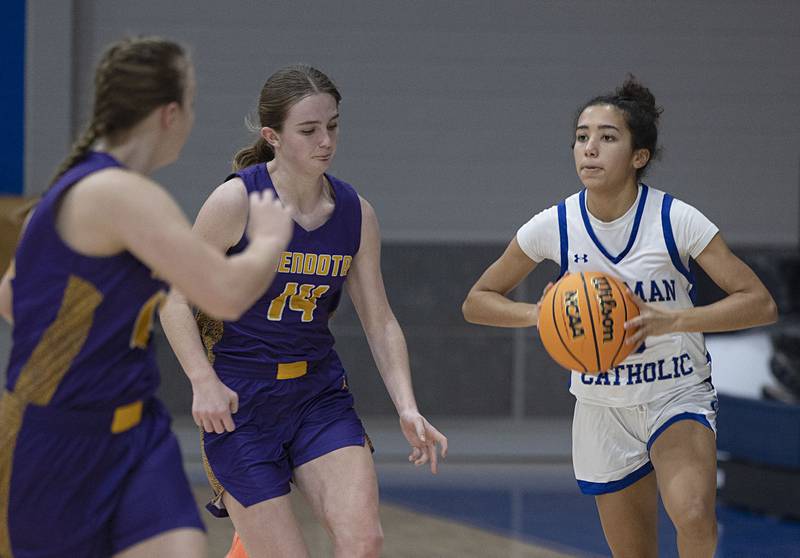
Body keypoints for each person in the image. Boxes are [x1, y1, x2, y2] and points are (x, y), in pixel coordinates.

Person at [0, 36, 292, 558]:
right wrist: (269, 237)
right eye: (193, 103)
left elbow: (9, 295)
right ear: (169, 113)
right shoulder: (118, 194)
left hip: (135, 429)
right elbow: (223, 295)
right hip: (59, 439)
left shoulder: (77, 188)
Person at [462, 77, 778, 557]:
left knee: (693, 514)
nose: (590, 148)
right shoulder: (555, 225)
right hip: (602, 407)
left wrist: (675, 321)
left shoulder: (676, 219)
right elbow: (478, 300)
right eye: (582, 136)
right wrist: (541, 314)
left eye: (607, 137)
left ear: (638, 157)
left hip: (676, 391)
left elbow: (759, 301)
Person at [159, 64, 448, 558]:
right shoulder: (237, 201)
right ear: (273, 136)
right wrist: (201, 381)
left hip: (317, 395)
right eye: (309, 130)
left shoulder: (356, 212)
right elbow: (173, 297)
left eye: (333, 125)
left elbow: (379, 320)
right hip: (241, 402)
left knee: (364, 541)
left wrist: (407, 406)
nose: (326, 141)